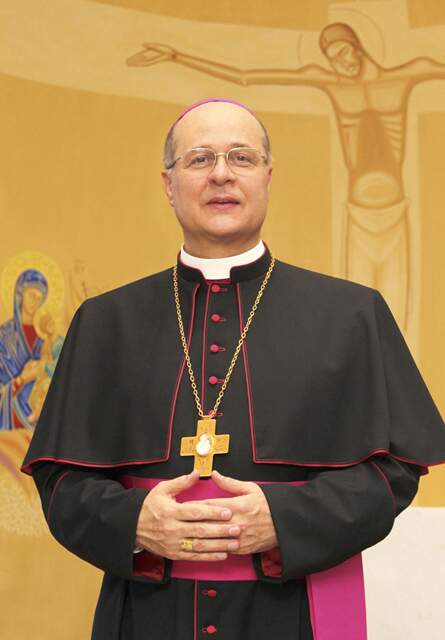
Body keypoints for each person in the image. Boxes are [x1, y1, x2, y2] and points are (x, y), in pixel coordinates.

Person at [22, 98, 445, 640]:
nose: (221, 174)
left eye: (241, 157)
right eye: (199, 159)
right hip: (147, 616)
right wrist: (135, 522)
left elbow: (395, 472)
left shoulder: (350, 314)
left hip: (295, 614)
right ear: (168, 184)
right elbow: (61, 481)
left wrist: (286, 519)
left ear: (268, 177)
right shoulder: (106, 321)